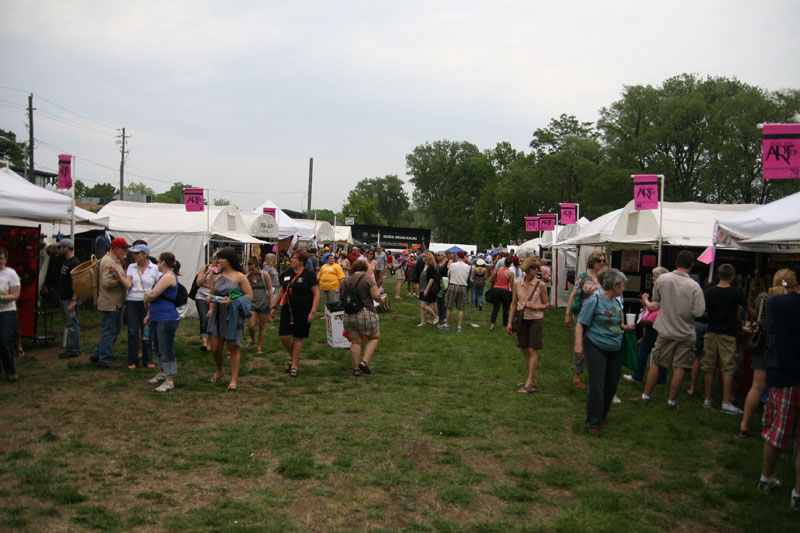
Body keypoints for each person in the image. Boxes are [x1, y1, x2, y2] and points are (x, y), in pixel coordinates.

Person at [629, 250, 706, 409]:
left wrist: (645, 301)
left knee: (656, 362)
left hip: (665, 330)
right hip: (685, 332)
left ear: (676, 262)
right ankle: (671, 401)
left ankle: (646, 395)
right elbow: (699, 312)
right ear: (691, 266)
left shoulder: (662, 280)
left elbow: (654, 305)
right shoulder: (695, 286)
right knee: (679, 367)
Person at [757, 270, 800, 510]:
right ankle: (797, 495)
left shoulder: (776, 303)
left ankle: (765, 478)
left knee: (777, 431)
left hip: (782, 371)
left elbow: (770, 330)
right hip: (790, 371)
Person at [574, 268, 635, 435]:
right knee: (597, 385)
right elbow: (581, 323)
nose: (624, 288)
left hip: (615, 347)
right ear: (614, 285)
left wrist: (625, 326)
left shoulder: (616, 302)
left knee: (612, 384)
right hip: (595, 346)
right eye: (622, 285)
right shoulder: (595, 300)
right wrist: (578, 345)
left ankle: (602, 414)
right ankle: (594, 421)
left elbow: (617, 322)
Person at [739, 269, 793, 438]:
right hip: (783, 350)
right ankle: (775, 426)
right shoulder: (791, 301)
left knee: (756, 388)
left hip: (763, 347)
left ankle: (744, 424)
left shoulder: (764, 298)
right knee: (781, 392)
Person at [701, 264, 754, 415]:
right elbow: (749, 311)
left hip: (711, 331)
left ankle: (708, 398)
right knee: (728, 367)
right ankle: (726, 402)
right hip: (728, 333)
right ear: (732, 277)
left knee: (709, 366)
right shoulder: (737, 293)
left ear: (718, 275)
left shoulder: (709, 292)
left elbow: (703, 312)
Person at [207, 247, 253, 390]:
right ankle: (220, 369)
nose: (219, 261)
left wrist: (233, 301)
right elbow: (212, 293)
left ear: (229, 260)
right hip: (217, 314)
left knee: (234, 348)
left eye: (222, 258)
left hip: (233, 314)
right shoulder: (215, 276)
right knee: (215, 349)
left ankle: (233, 380)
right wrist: (210, 300)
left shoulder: (239, 277)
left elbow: (249, 296)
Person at [270, 248, 319, 377]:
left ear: (302, 261)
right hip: (287, 308)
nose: (291, 260)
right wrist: (274, 305)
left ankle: (294, 365)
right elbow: (282, 290)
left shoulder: (309, 275)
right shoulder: (287, 273)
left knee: (298, 337)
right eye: (292, 257)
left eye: (294, 258)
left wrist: (313, 311)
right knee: (284, 336)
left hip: (303, 309)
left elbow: (316, 294)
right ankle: (294, 357)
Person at [507, 257, 550, 393]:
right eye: (533, 268)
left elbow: (547, 304)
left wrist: (536, 307)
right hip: (521, 318)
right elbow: (513, 303)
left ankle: (530, 381)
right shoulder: (517, 284)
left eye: (537, 268)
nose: (535, 270)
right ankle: (532, 378)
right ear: (526, 268)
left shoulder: (541, 285)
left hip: (535, 319)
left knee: (532, 349)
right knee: (524, 349)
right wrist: (509, 322)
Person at [565, 250, 606, 389]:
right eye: (599, 260)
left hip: (599, 316)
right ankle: (577, 375)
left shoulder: (605, 278)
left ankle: (596, 374)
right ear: (592, 262)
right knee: (580, 344)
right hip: (583, 314)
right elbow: (573, 294)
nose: (602, 263)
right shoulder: (584, 276)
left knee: (598, 345)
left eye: (603, 261)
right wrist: (567, 313)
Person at [623, 266, 669, 384]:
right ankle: (661, 379)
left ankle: (638, 376)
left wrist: (645, 300)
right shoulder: (670, 288)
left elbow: (653, 307)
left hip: (655, 324)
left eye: (654, 276)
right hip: (665, 323)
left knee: (644, 349)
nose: (653, 278)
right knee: (662, 352)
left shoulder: (660, 288)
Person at [143, 252, 181, 392]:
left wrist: (145, 299)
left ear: (164, 262)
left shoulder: (168, 277)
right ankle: (163, 371)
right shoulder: (162, 277)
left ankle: (169, 379)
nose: (157, 264)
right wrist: (149, 314)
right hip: (157, 316)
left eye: (158, 261)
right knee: (159, 347)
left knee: (166, 349)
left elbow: (153, 295)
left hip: (166, 317)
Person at [91, 238, 131, 368]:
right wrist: (121, 279)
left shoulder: (112, 260)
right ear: (116, 249)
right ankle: (104, 359)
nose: (126, 251)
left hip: (114, 302)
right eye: (124, 249)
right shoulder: (108, 261)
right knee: (110, 331)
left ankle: (98, 354)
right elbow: (106, 283)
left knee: (113, 330)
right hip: (110, 302)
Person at [341, 259, 382, 376]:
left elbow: (341, 298)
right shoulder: (367, 279)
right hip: (365, 312)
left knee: (355, 341)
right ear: (365, 268)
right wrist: (381, 299)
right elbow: (375, 296)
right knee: (374, 337)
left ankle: (356, 369)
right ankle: (364, 362)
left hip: (349, 314)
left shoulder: (344, 281)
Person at [124, 243, 159, 369]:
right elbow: (128, 283)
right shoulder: (131, 267)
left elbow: (157, 285)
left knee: (146, 331)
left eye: (137, 253)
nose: (134, 256)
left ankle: (148, 359)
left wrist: (152, 299)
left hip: (147, 302)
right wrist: (118, 275)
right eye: (133, 253)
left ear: (145, 254)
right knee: (133, 331)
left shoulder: (154, 268)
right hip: (132, 301)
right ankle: (132, 360)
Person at [55, 238, 82, 360]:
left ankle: (74, 349)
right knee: (69, 323)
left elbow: (77, 283)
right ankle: (72, 347)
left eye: (60, 247)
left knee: (72, 324)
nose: (58, 249)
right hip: (64, 297)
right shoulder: (66, 262)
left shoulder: (74, 263)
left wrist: (74, 299)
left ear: (66, 248)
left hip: (69, 298)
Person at [0, 247, 21, 381]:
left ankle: (10, 371)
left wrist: (1, 298)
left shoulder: (11, 274)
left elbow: (15, 295)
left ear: (6, 259)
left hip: (7, 311)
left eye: (1, 258)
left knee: (3, 340)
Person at [245, 257, 272, 355]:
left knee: (262, 326)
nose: (251, 271)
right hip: (252, 304)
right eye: (249, 269)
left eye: (253, 269)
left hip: (263, 303)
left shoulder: (265, 275)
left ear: (258, 267)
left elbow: (269, 289)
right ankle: (252, 339)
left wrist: (271, 304)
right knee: (251, 325)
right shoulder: (246, 277)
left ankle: (259, 347)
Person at [439, 251, 471, 332]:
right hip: (463, 287)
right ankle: (459, 327)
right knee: (460, 309)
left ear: (457, 256)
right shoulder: (468, 266)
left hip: (453, 285)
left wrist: (450, 268)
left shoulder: (452, 265)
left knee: (449, 307)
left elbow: (448, 274)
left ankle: (447, 325)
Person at [193, 252, 219, 352]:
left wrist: (208, 285)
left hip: (214, 297)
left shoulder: (221, 270)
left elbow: (218, 285)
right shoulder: (205, 267)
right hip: (201, 296)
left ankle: (210, 342)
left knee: (213, 320)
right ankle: (204, 342)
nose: (216, 262)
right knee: (204, 319)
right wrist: (207, 272)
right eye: (215, 260)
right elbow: (199, 282)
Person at [489, 257, 514, 331]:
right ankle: (504, 325)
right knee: (505, 309)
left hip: (496, 289)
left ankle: (492, 324)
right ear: (510, 264)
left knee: (495, 308)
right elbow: (511, 284)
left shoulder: (499, 270)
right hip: (505, 290)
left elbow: (493, 276)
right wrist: (512, 292)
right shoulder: (510, 273)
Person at [417, 250, 439, 326]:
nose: (422, 257)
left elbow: (431, 279)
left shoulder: (431, 267)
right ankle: (423, 321)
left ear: (428, 257)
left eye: (424, 256)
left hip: (427, 288)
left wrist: (426, 289)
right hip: (422, 288)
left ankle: (435, 316)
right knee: (421, 305)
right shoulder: (424, 266)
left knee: (423, 305)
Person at [435, 252, 449, 320]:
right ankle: (440, 315)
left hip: (445, 283)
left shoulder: (447, 263)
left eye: (438, 255)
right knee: (438, 299)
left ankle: (444, 316)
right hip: (438, 282)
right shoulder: (437, 263)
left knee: (444, 299)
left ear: (443, 256)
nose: (437, 257)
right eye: (437, 255)